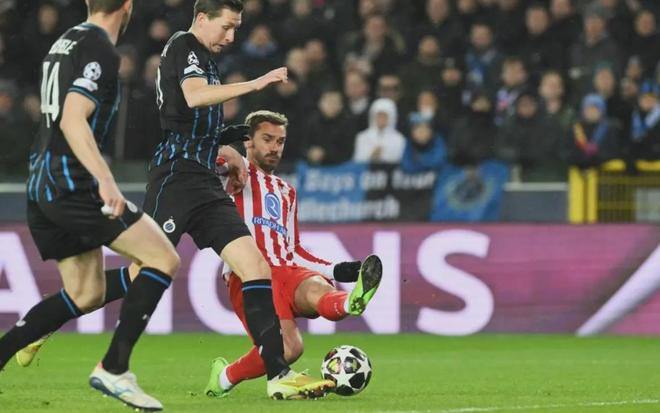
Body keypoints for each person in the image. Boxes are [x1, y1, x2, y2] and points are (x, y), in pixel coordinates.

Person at [15, 0, 334, 402]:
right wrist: (255, 84)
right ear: (202, 18)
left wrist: (229, 140)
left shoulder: (206, 59)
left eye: (237, 28)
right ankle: (51, 318)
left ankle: (278, 374)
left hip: (205, 183)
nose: (231, 36)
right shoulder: (184, 46)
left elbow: (193, 123)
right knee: (139, 274)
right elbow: (195, 97)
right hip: (176, 178)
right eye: (227, 26)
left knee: (255, 267)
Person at [0, 1, 181, 411]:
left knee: (86, 293)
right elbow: (72, 118)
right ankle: (114, 368)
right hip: (73, 184)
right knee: (163, 259)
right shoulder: (100, 48)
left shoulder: (65, 41)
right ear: (127, 6)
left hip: (42, 183)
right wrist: (104, 178)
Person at [205, 110, 383, 398]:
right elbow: (204, 154)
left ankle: (350, 301)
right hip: (252, 276)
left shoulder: (286, 191)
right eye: (267, 139)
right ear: (248, 141)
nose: (275, 147)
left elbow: (294, 249)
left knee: (318, 288)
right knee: (290, 349)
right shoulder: (235, 174)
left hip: (287, 269)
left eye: (280, 141)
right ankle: (224, 377)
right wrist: (228, 151)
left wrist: (339, 270)